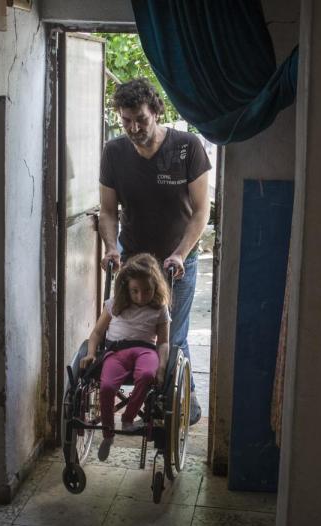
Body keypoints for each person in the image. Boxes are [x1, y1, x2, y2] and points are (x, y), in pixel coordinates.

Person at [99, 77, 209, 425]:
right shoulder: (114, 153)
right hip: (134, 264)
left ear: (156, 112)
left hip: (178, 261)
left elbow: (202, 210)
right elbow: (107, 211)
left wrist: (180, 252)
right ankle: (149, 401)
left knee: (171, 336)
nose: (133, 128)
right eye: (126, 120)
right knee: (127, 332)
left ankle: (180, 405)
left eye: (141, 120)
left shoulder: (187, 147)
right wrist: (110, 249)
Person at [79, 254, 171, 461]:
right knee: (107, 387)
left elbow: (164, 342)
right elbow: (95, 334)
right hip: (116, 352)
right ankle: (108, 434)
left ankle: (128, 418)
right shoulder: (114, 305)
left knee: (147, 374)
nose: (141, 296)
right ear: (126, 289)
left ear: (156, 287)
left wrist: (162, 367)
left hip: (146, 350)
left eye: (147, 290)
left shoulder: (159, 308)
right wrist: (91, 353)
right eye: (135, 291)